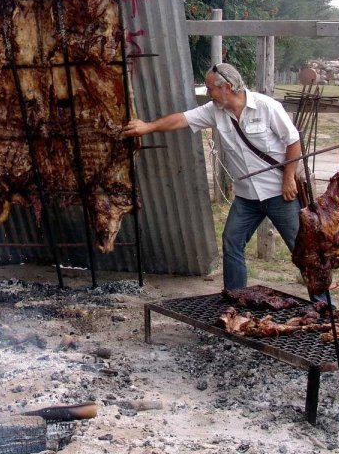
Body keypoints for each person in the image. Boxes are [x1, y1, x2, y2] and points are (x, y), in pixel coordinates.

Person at [122, 63, 301, 290]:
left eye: (210, 88)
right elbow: (181, 119)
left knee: (302, 248)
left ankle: (323, 305)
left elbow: (293, 141)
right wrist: (147, 127)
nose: (208, 93)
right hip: (247, 197)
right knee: (232, 242)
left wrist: (289, 178)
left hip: (279, 193)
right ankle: (235, 298)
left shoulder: (267, 107)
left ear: (226, 87)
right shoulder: (214, 110)